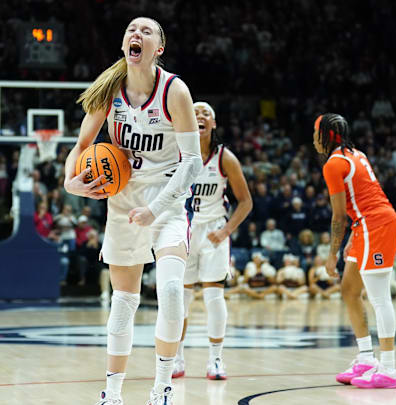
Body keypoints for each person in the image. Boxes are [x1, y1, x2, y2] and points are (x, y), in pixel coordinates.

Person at [63, 17, 202, 405]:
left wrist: (155, 209)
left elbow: (192, 161)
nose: (135, 34)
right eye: (130, 30)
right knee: (123, 301)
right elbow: (81, 145)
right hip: (123, 199)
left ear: (159, 48)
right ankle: (114, 392)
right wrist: (69, 181)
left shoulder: (175, 90)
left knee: (172, 292)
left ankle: (162, 387)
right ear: (124, 43)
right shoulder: (110, 91)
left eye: (146, 31)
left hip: (168, 198)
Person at [313, 113, 396, 389]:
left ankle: (388, 368)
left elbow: (338, 216)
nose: (313, 139)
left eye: (315, 133)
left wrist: (332, 254)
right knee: (350, 289)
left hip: (377, 225)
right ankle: (365, 358)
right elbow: (362, 196)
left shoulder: (333, 164)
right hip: (366, 225)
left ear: (324, 136)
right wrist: (354, 235)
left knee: (379, 297)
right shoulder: (357, 154)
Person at [173, 101, 252, 380]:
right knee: (180, 298)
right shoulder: (176, 154)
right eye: (195, 113)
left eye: (206, 113)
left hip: (213, 233)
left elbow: (245, 202)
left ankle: (215, 360)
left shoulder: (225, 158)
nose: (200, 116)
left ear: (213, 124)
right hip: (183, 230)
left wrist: (226, 231)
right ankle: (177, 359)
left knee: (213, 297)